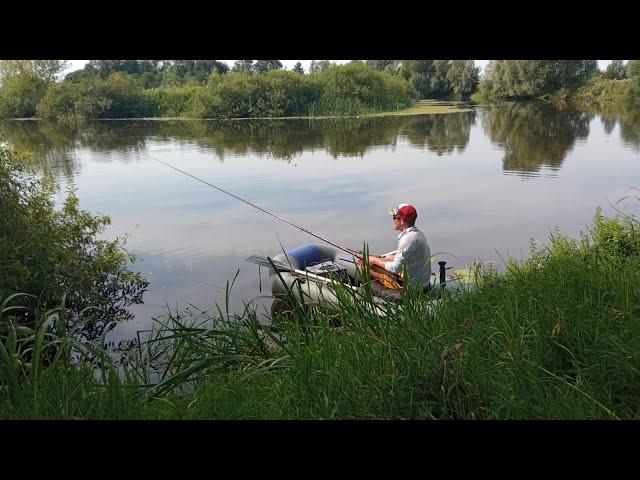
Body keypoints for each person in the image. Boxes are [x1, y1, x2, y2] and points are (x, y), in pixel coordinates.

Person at [362, 203, 431, 295]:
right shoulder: (417, 234)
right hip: (424, 284)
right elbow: (405, 258)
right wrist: (382, 259)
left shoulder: (408, 239)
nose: (394, 220)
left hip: (414, 289)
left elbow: (395, 268)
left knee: (365, 269)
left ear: (402, 221)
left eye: (395, 218)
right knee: (387, 258)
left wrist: (375, 260)